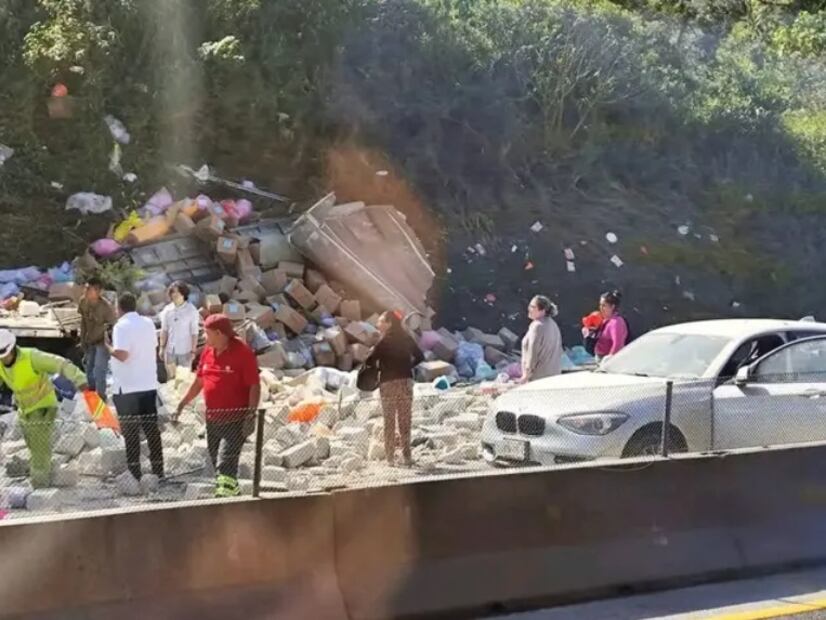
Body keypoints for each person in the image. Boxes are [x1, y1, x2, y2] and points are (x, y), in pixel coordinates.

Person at [174, 314, 260, 497]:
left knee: (225, 462)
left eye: (207, 333)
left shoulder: (243, 353)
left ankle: (223, 501)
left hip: (235, 420)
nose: (204, 337)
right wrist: (182, 403)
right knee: (215, 461)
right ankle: (234, 494)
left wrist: (251, 416)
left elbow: (254, 385)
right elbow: (199, 382)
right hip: (213, 419)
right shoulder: (207, 352)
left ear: (219, 333)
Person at [0, 330, 87, 487]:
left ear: (11, 348)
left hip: (43, 407)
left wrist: (79, 378)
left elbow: (59, 363)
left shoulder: (31, 357)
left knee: (40, 449)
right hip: (25, 410)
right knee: (34, 446)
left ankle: (40, 487)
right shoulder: (1, 364)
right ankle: (44, 475)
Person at [106, 292, 164, 483]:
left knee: (131, 434)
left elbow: (122, 354)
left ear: (118, 308)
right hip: (147, 384)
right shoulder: (147, 323)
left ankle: (134, 472)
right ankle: (158, 471)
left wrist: (107, 346)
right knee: (151, 431)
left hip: (127, 388)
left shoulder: (121, 326)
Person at [365, 310, 423, 467]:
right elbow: (420, 356)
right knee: (405, 420)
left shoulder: (383, 342)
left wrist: (378, 368)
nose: (378, 324)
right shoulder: (406, 338)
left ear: (389, 323)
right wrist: (407, 367)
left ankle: (390, 458)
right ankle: (407, 456)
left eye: (381, 321)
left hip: (388, 384)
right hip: (405, 382)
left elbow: (370, 361)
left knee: (389, 421)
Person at [78, 277, 116, 400]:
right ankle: (92, 395)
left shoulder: (106, 307)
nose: (86, 291)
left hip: (102, 342)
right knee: (89, 369)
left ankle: (101, 397)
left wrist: (110, 345)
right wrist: (82, 339)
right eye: (86, 288)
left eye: (89, 289)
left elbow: (113, 327)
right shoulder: (83, 302)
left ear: (98, 291)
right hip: (90, 340)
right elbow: (83, 321)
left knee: (99, 370)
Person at [159, 281, 200, 380]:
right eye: (173, 292)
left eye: (178, 292)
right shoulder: (167, 310)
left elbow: (194, 333)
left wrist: (193, 351)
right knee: (171, 380)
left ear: (183, 294)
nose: (175, 295)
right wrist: (161, 347)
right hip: (170, 351)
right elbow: (164, 330)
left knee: (183, 381)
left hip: (185, 351)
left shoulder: (191, 310)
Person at [521, 295, 563, 383]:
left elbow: (533, 352)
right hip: (554, 374)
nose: (529, 309)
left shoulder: (537, 326)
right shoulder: (553, 324)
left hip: (539, 377)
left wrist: (526, 375)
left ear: (542, 311)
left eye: (533, 307)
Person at [593, 290, 628, 361]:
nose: (601, 308)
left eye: (604, 305)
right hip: (600, 358)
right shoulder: (605, 320)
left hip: (609, 360)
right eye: (600, 305)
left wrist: (609, 360)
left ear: (612, 306)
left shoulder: (616, 322)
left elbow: (618, 344)